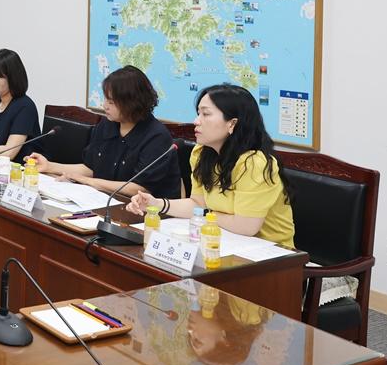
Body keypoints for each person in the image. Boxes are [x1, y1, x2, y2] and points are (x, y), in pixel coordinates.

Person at [126, 84, 294, 248]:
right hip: (222, 240)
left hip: (270, 254)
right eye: (198, 113)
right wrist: (156, 204)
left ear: (232, 123)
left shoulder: (254, 163)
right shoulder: (201, 153)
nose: (196, 121)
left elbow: (246, 226)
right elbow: (197, 204)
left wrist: (205, 215)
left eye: (205, 114)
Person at [25, 65, 181, 198]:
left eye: (111, 102)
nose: (104, 105)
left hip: (148, 215)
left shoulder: (156, 136)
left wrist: (89, 182)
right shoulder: (107, 125)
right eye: (105, 99)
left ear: (132, 103)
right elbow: (90, 168)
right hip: (105, 202)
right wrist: (49, 166)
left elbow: (139, 188)